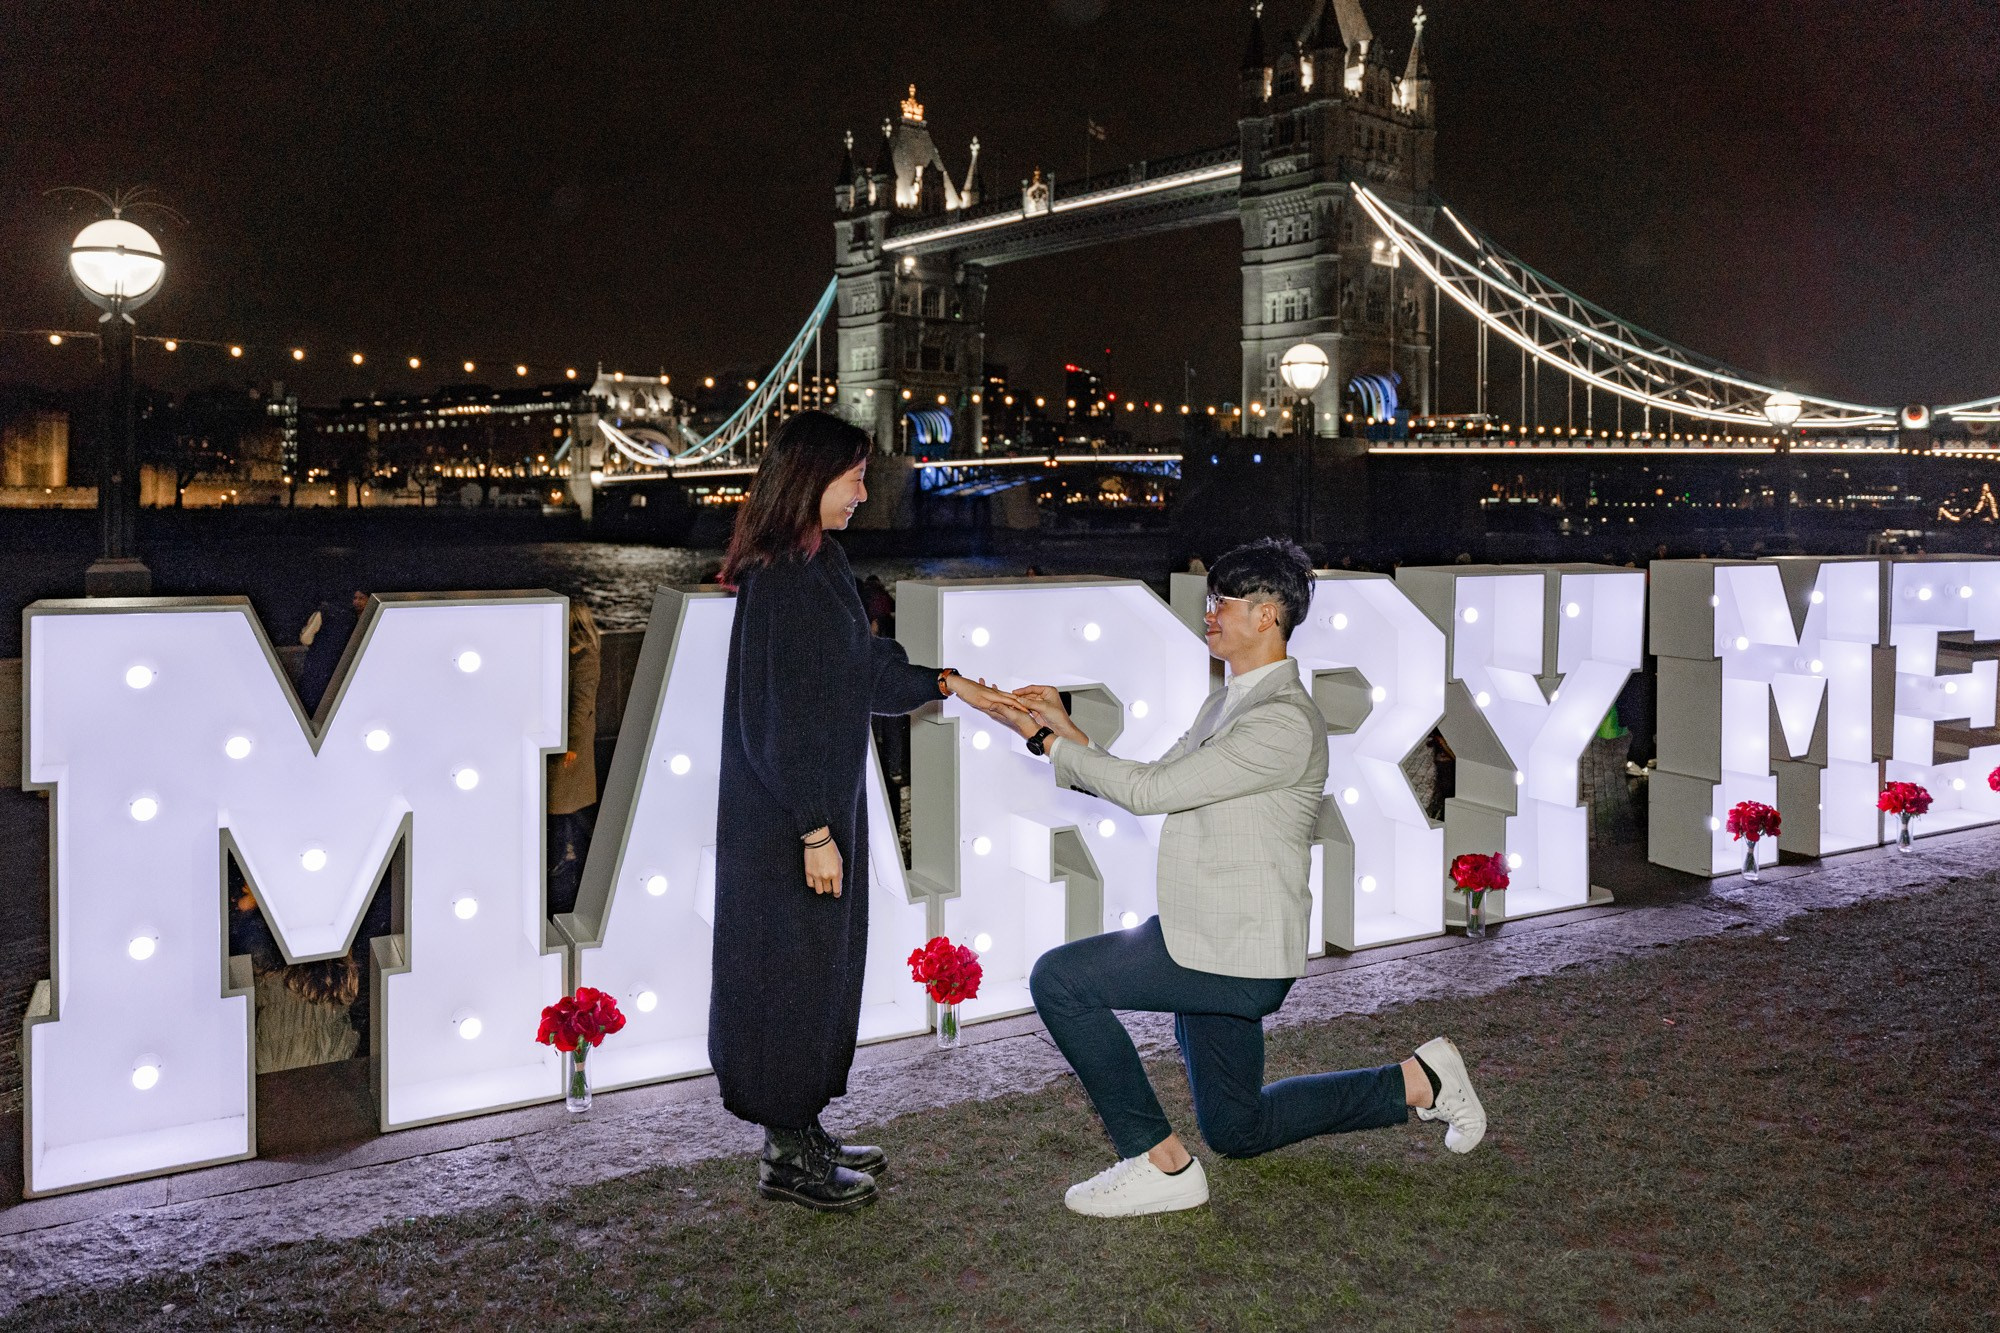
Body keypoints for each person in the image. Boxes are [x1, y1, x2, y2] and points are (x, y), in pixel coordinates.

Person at [973, 537, 1486, 1218]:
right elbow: (1155, 783)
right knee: (1239, 1128)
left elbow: (1152, 791)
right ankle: (1418, 1080)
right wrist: (1067, 731)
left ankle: (1159, 1161)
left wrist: (1048, 742)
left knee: (1059, 980)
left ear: (1268, 615)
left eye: (1223, 602)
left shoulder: (1281, 720)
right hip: (1207, 933)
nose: (1208, 613)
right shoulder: (1231, 705)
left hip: (1230, 951)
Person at [710, 410, 1017, 1213]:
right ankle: (785, 1152)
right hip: (785, 823)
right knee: (785, 975)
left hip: (816, 810)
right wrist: (815, 829)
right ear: (812, 478)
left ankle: (802, 1126)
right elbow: (770, 719)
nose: (865, 490)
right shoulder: (778, 577)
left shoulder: (824, 562)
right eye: (854, 475)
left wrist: (946, 683)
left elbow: (861, 672)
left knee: (819, 972)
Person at [547, 602, 602, 918]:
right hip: (568, 753)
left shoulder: (584, 658)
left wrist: (571, 748)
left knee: (566, 813)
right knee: (571, 815)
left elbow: (582, 708)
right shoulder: (572, 654)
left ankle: (567, 880)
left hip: (570, 755)